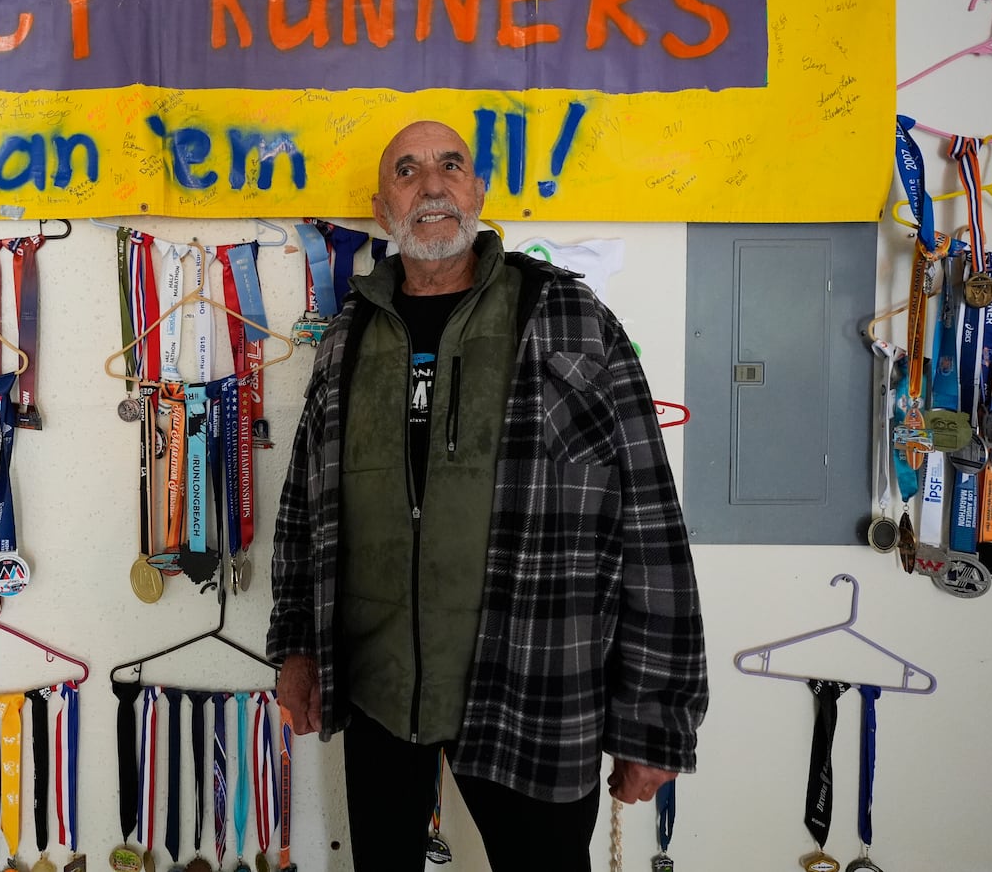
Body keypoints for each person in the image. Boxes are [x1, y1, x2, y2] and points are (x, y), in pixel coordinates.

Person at [266, 120, 708, 871]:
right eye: (407, 170)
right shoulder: (349, 335)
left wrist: (655, 720)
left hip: (533, 687)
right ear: (382, 209)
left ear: (477, 192)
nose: (431, 183)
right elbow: (306, 508)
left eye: (450, 166)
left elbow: (651, 522)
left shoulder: (569, 318)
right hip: (381, 695)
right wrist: (298, 647)